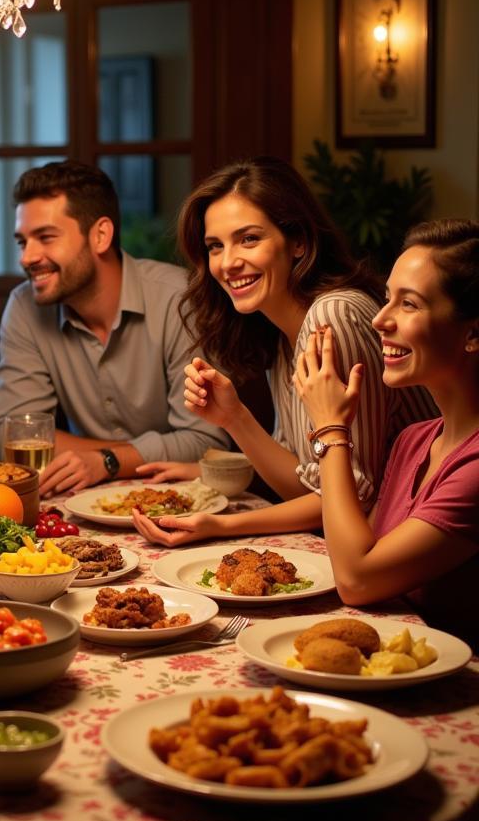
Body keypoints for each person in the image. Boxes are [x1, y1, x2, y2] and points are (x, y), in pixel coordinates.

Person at [131, 157, 434, 549]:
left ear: (299, 243)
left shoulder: (332, 316)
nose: (228, 262)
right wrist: (234, 419)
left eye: (249, 239)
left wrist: (222, 526)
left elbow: (352, 498)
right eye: (215, 247)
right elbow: (304, 482)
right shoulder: (281, 333)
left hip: (405, 560)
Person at [0, 160, 226, 496]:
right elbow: (7, 436)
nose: (27, 257)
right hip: (82, 502)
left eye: (45, 237)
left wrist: (109, 460)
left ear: (100, 235)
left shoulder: (178, 300)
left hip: (184, 500)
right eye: (22, 242)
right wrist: (114, 456)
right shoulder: (25, 307)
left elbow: (206, 441)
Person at [295, 220, 479, 646]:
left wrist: (332, 428)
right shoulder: (415, 440)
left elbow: (357, 579)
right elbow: (357, 549)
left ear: (473, 332)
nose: (380, 320)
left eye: (409, 305)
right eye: (386, 298)